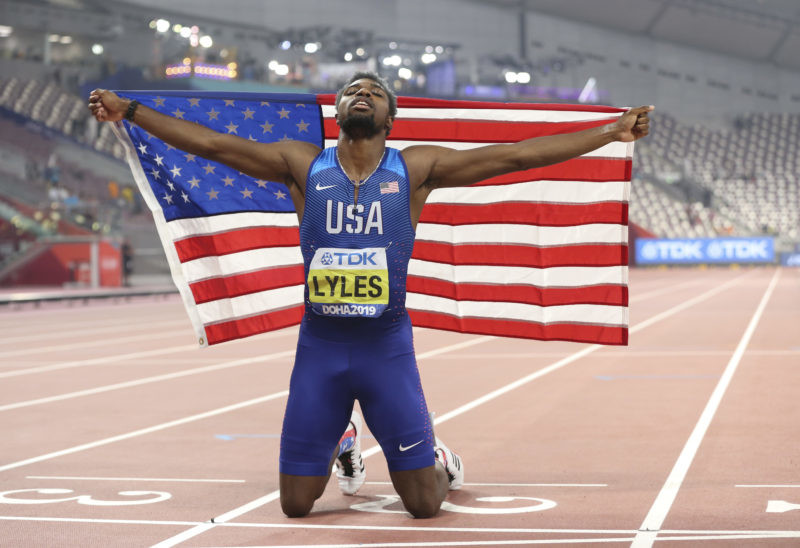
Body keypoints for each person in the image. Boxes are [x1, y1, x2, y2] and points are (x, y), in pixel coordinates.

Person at [88, 72, 652, 518]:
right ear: (337, 112)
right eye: (352, 91)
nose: (362, 94)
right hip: (321, 347)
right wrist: (129, 112)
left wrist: (610, 133)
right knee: (295, 505)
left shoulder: (417, 168)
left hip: (386, 347)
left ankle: (438, 456)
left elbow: (515, 156)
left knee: (424, 505)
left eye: (375, 93)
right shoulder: (301, 163)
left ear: (390, 118)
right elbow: (213, 144)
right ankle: (343, 437)